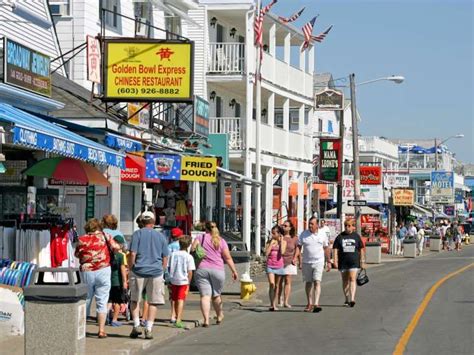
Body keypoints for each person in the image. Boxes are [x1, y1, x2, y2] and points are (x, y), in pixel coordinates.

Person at [75, 218, 121, 339]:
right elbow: (116, 248)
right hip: (103, 270)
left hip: (87, 271)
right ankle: (101, 330)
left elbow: (77, 254)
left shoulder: (82, 239)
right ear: (98, 227)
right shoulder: (105, 236)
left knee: (86, 300)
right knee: (102, 301)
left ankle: (81, 329)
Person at [129, 211, 169, 340]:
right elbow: (165, 256)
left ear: (142, 221)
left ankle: (136, 325)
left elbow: (132, 253)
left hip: (139, 270)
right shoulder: (161, 236)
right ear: (153, 221)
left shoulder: (137, 234)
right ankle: (149, 328)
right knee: (153, 301)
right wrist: (161, 269)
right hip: (156, 272)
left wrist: (131, 267)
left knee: (135, 299)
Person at [191, 221, 238, 327]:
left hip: (202, 269)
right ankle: (219, 315)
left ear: (205, 229)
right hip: (218, 270)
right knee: (216, 295)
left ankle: (206, 320)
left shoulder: (200, 237)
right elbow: (227, 257)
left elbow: (192, 250)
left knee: (205, 296)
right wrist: (234, 271)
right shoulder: (221, 241)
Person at [297, 216, 331, 313]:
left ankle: (316, 303)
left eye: (312, 224)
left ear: (317, 225)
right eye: (309, 223)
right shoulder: (304, 234)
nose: (310, 225)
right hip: (306, 262)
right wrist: (297, 258)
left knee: (317, 281)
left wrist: (328, 261)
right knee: (308, 282)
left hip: (319, 261)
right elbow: (299, 247)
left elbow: (326, 248)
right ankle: (309, 303)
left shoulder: (322, 234)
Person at [332, 219, 366, 307]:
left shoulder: (356, 236)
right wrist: (335, 260)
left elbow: (361, 248)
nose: (347, 227)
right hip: (343, 262)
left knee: (352, 279)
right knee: (345, 280)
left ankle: (352, 299)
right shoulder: (340, 236)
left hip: (354, 261)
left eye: (349, 225)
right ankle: (346, 298)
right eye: (346, 226)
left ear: (353, 226)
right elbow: (335, 248)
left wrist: (362, 260)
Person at [168, 235, 195, 329]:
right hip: (183, 280)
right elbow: (190, 272)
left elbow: (169, 266)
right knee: (180, 299)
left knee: (174, 299)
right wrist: (189, 283)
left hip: (173, 279)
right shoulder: (189, 257)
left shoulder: (173, 254)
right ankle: (179, 319)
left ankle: (175, 316)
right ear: (188, 245)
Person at [107, 234, 128, 327]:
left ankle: (106, 317)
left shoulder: (107, 255)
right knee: (117, 302)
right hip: (117, 281)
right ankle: (114, 320)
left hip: (107, 281)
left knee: (109, 301)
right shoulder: (120, 256)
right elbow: (123, 270)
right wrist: (124, 282)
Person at [277, 220, 299, 308]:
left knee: (287, 281)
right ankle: (279, 299)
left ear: (290, 228)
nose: (284, 227)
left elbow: (298, 248)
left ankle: (286, 301)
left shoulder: (294, 238)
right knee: (279, 282)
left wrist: (295, 257)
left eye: (286, 226)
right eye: (283, 225)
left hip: (290, 261)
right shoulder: (279, 237)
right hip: (280, 261)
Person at [265, 225, 287, 311]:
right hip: (270, 265)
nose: (272, 235)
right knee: (272, 284)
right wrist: (271, 244)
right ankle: (271, 304)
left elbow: (282, 252)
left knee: (277, 285)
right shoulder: (269, 242)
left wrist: (280, 242)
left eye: (274, 233)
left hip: (279, 265)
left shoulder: (283, 242)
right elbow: (266, 253)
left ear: (279, 234)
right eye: (272, 233)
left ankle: (274, 304)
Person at [167, 227, 184, 324]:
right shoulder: (183, 246)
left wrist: (166, 274)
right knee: (180, 296)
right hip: (182, 274)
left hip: (172, 274)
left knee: (172, 296)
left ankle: (173, 314)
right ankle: (178, 314)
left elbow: (167, 261)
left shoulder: (169, 247)